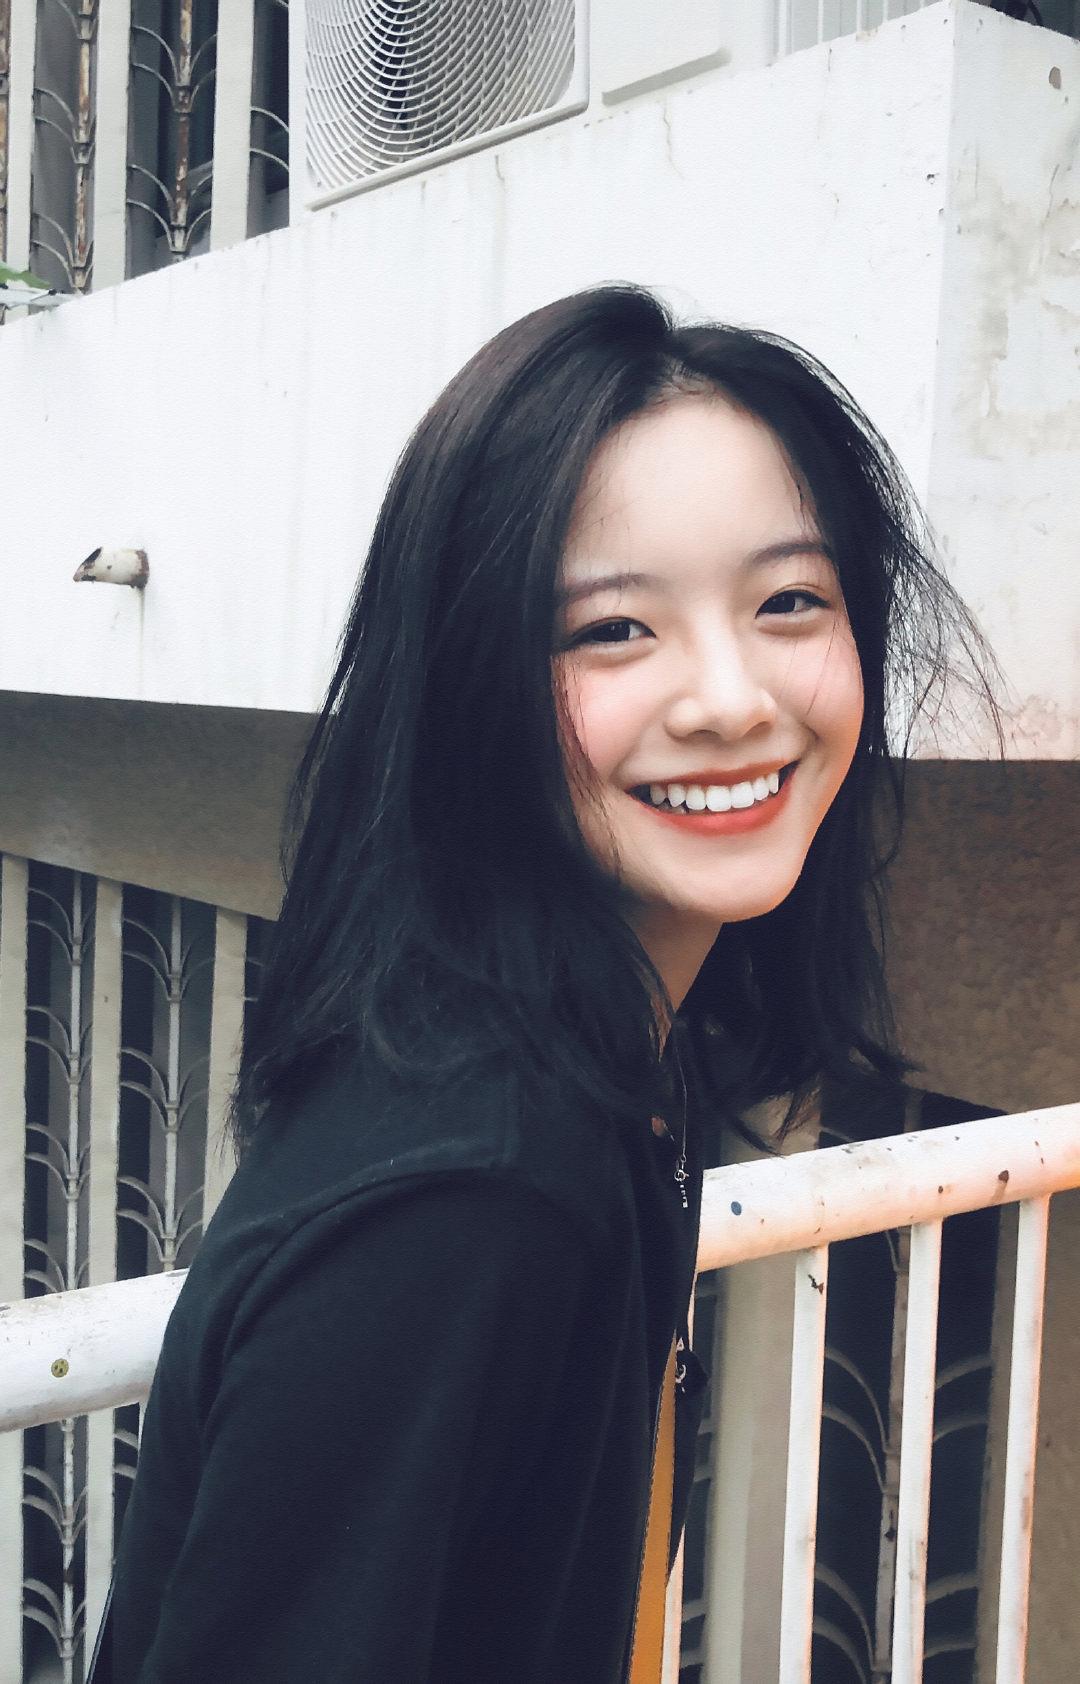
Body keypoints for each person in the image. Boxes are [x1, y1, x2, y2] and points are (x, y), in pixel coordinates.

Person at [90, 284, 998, 1683]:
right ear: (472, 683)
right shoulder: (465, 1199)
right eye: (613, 630)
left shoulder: (601, 1058)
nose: (731, 698)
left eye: (789, 602)